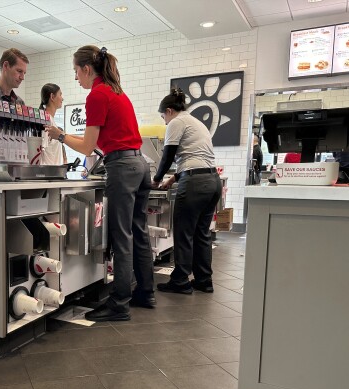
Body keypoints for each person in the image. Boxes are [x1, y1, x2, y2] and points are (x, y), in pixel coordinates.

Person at [46, 45, 155, 322]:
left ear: (86, 69)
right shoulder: (117, 91)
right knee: (138, 232)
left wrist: (60, 135)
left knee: (121, 237)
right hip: (140, 165)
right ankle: (145, 292)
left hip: (123, 168)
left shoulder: (97, 94)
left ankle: (119, 304)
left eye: (75, 72)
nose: (75, 78)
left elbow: (86, 147)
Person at [151, 88, 222, 295]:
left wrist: (156, 179)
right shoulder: (196, 122)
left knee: (184, 233)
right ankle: (204, 280)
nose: (164, 121)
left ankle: (180, 280)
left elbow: (168, 155)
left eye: (163, 115)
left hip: (195, 184)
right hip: (212, 181)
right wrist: (173, 178)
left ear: (170, 111)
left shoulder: (176, 122)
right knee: (202, 233)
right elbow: (196, 158)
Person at [38, 83, 67, 165]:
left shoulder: (51, 120)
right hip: (48, 173)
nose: (62, 98)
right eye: (60, 95)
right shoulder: (45, 120)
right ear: (52, 97)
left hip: (55, 172)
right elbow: (42, 150)